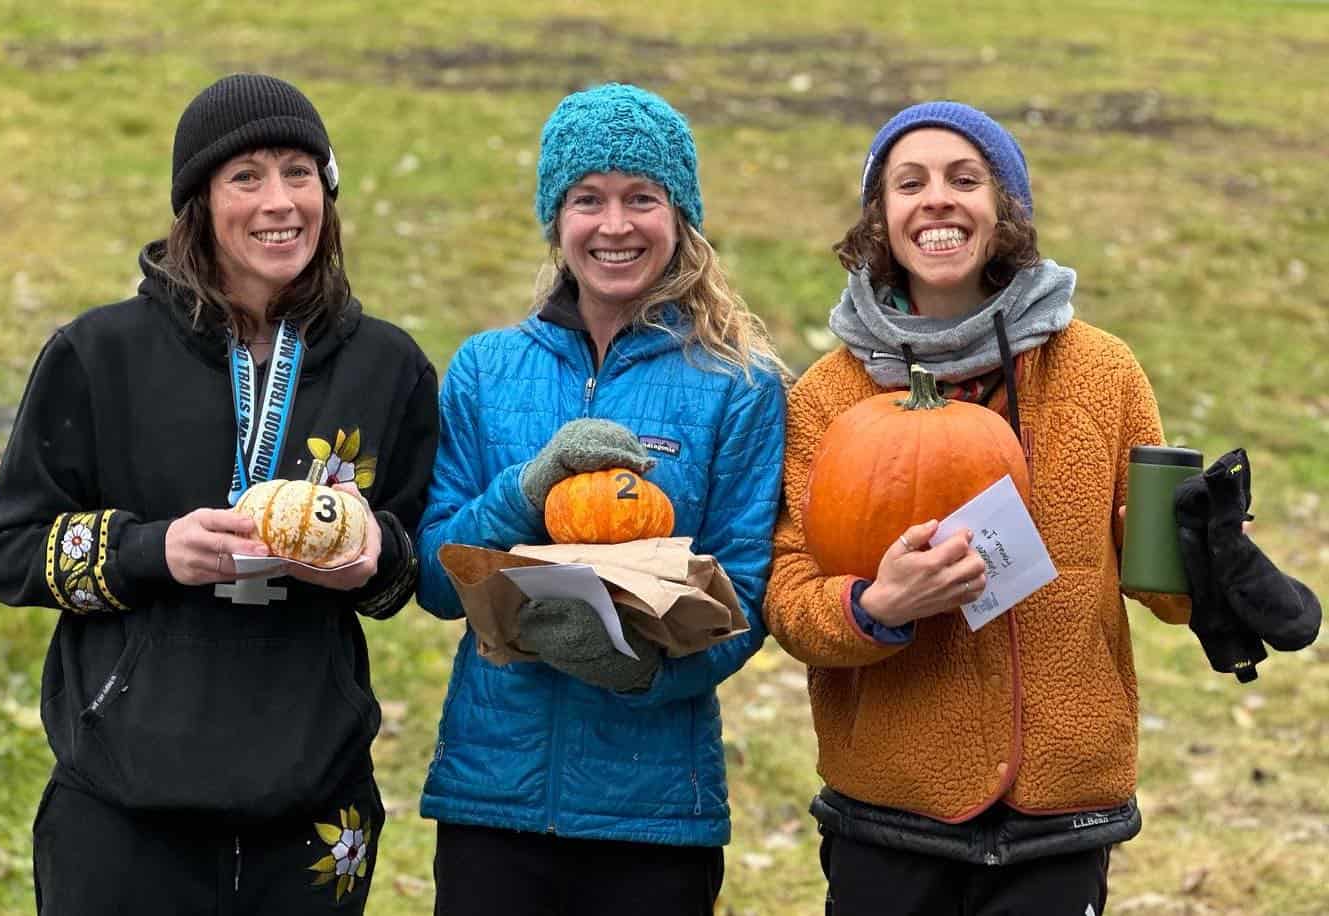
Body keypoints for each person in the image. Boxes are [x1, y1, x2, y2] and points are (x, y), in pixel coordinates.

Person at [0, 73, 438, 913]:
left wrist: (373, 559)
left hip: (313, 813)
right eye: (246, 177)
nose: (280, 202)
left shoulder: (387, 366)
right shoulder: (97, 354)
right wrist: (153, 551)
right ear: (197, 200)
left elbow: (409, 565)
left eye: (300, 172)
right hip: (123, 809)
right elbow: (9, 552)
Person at [763, 101, 1191, 916]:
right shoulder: (828, 395)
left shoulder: (1099, 371)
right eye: (908, 183)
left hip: (1059, 810)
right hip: (890, 809)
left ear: (1004, 213)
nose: (937, 200)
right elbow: (787, 597)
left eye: (965, 180)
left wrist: (1204, 559)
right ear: (878, 218)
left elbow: (1161, 580)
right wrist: (874, 605)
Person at [414, 83, 787, 915]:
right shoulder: (484, 369)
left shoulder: (739, 386)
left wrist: (634, 675)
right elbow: (437, 582)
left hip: (655, 813)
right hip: (490, 797)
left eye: (640, 199)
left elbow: (750, 600)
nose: (614, 226)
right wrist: (525, 487)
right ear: (557, 219)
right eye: (588, 199)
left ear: (679, 216)